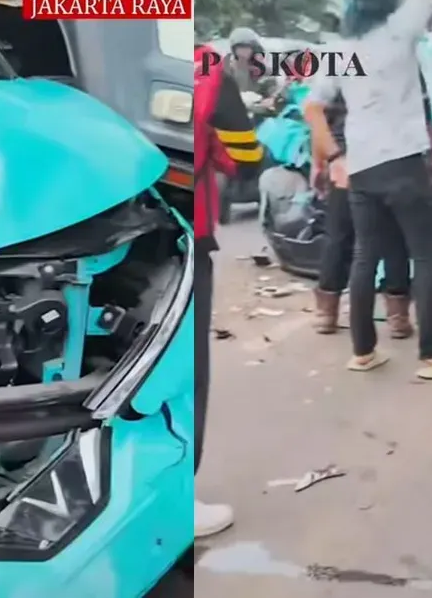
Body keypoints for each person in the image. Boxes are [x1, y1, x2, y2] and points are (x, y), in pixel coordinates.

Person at [304, 0, 432, 379]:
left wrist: (335, 159)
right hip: (403, 164)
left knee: (365, 256)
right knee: (424, 256)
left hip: (361, 167)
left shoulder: (340, 49)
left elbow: (313, 108)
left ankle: (363, 351)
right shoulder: (401, 31)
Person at [310, 68, 432, 338]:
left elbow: (320, 119)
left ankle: (327, 314)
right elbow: (423, 118)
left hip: (348, 160)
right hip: (395, 162)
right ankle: (398, 317)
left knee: (341, 236)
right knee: (393, 237)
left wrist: (320, 162)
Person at [192, 44, 248, 538]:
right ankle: (174, 496)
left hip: (88, 226)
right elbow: (244, 157)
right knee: (183, 372)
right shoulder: (207, 68)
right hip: (183, 233)